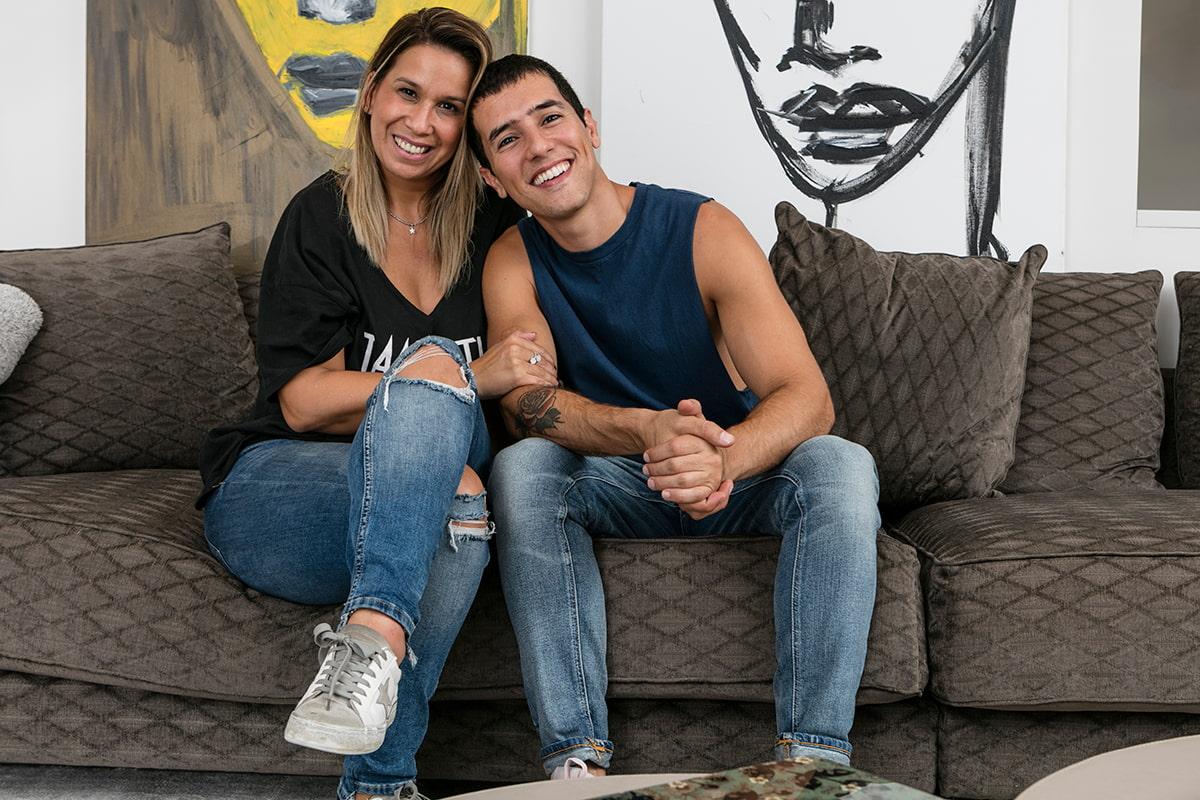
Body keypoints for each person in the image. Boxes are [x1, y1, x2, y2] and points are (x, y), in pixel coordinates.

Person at [468, 54, 880, 778]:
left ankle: (811, 766)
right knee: (525, 467)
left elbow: (806, 395)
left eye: (550, 118)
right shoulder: (512, 260)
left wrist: (720, 459)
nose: (537, 147)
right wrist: (648, 431)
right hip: (618, 482)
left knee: (840, 463)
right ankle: (576, 764)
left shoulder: (702, 229)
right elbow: (530, 407)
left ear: (588, 127)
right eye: (507, 139)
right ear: (492, 177)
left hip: (734, 474)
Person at [197, 11, 552, 800]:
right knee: (434, 375)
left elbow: (536, 368)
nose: (422, 122)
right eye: (407, 93)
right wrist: (466, 375)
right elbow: (303, 403)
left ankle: (375, 765)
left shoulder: (499, 228)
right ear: (369, 94)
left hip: (443, 486)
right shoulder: (321, 216)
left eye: (450, 106)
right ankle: (381, 737)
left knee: (458, 490)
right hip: (287, 485)